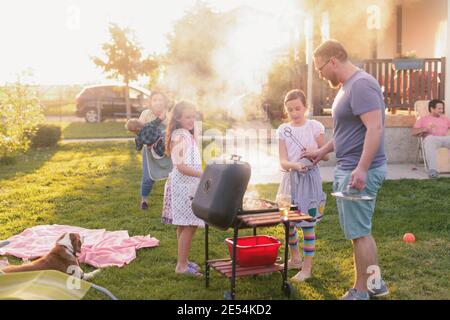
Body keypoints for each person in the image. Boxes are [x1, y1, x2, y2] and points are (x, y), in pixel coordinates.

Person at [305, 40, 388, 300]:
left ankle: (360, 292)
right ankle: (375, 284)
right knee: (361, 231)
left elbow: (375, 128)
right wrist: (323, 150)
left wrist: (362, 168)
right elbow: (347, 132)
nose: (320, 74)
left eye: (320, 69)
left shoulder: (361, 85)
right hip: (350, 166)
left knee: (359, 234)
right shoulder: (347, 87)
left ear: (333, 62)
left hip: (358, 170)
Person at [277, 89, 328, 282]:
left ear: (305, 108)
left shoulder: (314, 127)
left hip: (309, 180)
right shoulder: (283, 130)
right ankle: (295, 258)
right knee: (288, 222)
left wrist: (315, 151)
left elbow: (326, 154)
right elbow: (283, 161)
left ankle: (307, 268)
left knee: (307, 224)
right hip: (290, 180)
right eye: (290, 110)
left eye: (298, 108)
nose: (295, 113)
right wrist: (295, 165)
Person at [161, 101, 204, 276]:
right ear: (178, 118)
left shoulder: (187, 134)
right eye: (187, 117)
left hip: (187, 185)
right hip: (182, 186)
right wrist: (203, 175)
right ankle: (181, 266)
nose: (191, 120)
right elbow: (180, 166)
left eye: (193, 116)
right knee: (190, 224)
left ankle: (183, 261)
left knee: (183, 224)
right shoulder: (179, 136)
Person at [137, 92, 169, 210]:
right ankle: (144, 200)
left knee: (173, 173)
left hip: (166, 149)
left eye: (161, 99)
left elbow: (173, 131)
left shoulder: (169, 115)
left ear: (165, 102)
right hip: (149, 151)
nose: (158, 102)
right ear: (150, 102)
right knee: (148, 176)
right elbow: (139, 130)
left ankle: (172, 198)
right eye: (155, 100)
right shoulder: (146, 114)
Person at [412, 99, 450, 178]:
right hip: (432, 139)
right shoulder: (423, 119)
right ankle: (433, 170)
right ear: (432, 109)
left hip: (445, 139)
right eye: (439, 108)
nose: (441, 110)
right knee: (430, 139)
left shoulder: (445, 119)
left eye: (442, 108)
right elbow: (413, 132)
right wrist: (426, 128)